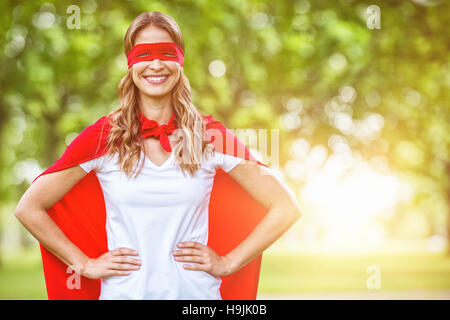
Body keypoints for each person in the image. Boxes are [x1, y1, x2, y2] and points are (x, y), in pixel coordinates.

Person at [14, 11, 302, 300]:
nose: (155, 64)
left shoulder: (209, 137)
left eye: (166, 52)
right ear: (130, 64)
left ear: (179, 61)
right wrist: (84, 264)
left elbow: (285, 206)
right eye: (143, 54)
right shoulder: (104, 137)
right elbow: (29, 207)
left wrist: (228, 262)